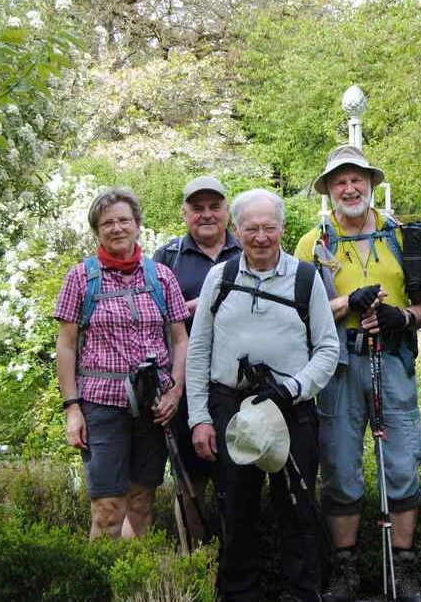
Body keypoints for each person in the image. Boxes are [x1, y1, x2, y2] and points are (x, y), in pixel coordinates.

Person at [184, 188, 340, 602]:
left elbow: (327, 349)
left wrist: (293, 388)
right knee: (236, 509)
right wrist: (199, 417)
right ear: (236, 231)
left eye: (269, 227)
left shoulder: (305, 278)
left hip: (292, 407)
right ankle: (239, 595)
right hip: (230, 405)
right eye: (251, 229)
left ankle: (303, 594)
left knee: (298, 509)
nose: (261, 237)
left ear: (282, 228)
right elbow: (198, 351)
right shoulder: (221, 277)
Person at [294, 145, 421, 602]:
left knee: (403, 462)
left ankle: (404, 570)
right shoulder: (313, 244)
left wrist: (403, 318)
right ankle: (346, 572)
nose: (349, 189)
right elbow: (302, 313)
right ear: (329, 189)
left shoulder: (400, 236)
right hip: (338, 363)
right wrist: (344, 305)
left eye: (357, 180)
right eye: (339, 182)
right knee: (339, 466)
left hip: (390, 358)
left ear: (371, 184)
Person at [53, 187, 190, 539]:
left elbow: (180, 339)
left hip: (154, 404)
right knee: (107, 509)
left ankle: (133, 581)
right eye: (107, 222)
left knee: (142, 501)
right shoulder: (80, 278)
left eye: (124, 220)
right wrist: (72, 408)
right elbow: (66, 346)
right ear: (96, 230)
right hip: (100, 404)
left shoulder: (161, 276)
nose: (117, 228)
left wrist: (175, 391)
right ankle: (104, 583)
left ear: (137, 224)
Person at [154, 175, 242, 499]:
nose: (207, 214)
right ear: (184, 213)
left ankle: (235, 547)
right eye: (197, 208)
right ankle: (196, 548)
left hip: (240, 385)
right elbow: (152, 320)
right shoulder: (167, 257)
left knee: (240, 475)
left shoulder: (249, 250)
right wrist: (193, 308)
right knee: (190, 482)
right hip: (187, 384)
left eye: (215, 206)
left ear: (228, 211)